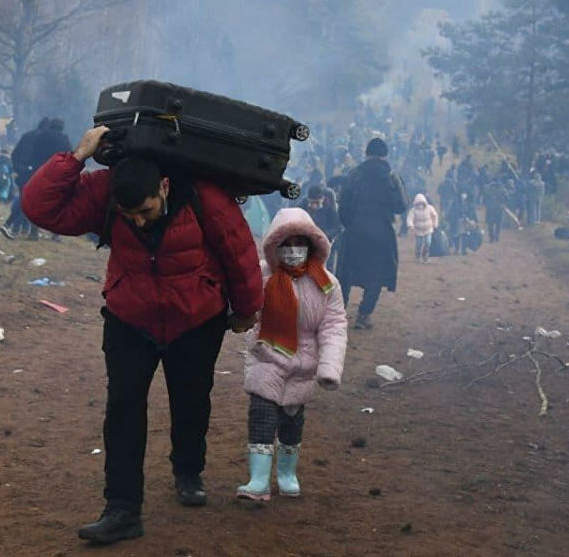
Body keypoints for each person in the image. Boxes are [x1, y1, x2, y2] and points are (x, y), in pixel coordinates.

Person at [21, 125, 263, 546]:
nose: (137, 220)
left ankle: (188, 470)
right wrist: (76, 157)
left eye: (146, 211)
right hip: (129, 317)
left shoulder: (205, 197)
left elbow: (238, 252)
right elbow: (39, 207)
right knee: (123, 408)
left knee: (191, 399)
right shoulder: (106, 192)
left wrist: (245, 310)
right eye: (129, 214)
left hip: (195, 317)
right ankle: (122, 509)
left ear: (165, 187)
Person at [236, 208, 347, 502]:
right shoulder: (260, 276)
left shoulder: (327, 284)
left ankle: (287, 474)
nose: (293, 250)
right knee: (261, 416)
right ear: (274, 246)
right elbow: (246, 308)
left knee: (291, 423)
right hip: (267, 357)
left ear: (312, 244)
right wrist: (248, 331)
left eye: (299, 243)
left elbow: (334, 327)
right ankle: (258, 481)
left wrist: (329, 368)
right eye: (285, 244)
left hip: (305, 365)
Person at [336, 137, 408, 331]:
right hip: (381, 231)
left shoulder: (354, 174)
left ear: (366, 153)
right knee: (376, 274)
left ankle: (338, 316)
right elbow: (401, 205)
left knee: (347, 272)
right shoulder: (391, 176)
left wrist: (349, 224)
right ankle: (363, 315)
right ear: (385, 155)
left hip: (355, 230)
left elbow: (342, 205)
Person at [406, 193, 439, 264]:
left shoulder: (430, 208)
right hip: (418, 230)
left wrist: (435, 224)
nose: (420, 205)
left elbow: (435, 216)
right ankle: (418, 256)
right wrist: (410, 225)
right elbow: (410, 218)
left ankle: (425, 256)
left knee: (428, 242)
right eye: (418, 203)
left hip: (428, 229)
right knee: (418, 244)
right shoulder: (413, 210)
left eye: (421, 203)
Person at [482, 178, 508, 243]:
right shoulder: (502, 188)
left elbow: (484, 198)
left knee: (490, 223)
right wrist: (503, 204)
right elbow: (506, 197)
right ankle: (497, 236)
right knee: (498, 223)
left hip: (490, 208)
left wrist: (486, 205)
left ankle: (492, 237)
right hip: (499, 208)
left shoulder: (488, 188)